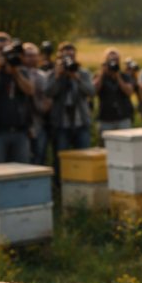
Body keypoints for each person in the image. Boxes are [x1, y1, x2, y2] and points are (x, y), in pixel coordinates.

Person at [46, 41, 95, 182]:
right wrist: (58, 77)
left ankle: (82, 184)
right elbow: (49, 93)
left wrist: (77, 78)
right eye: (65, 56)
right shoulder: (52, 74)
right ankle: (61, 187)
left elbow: (91, 92)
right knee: (61, 160)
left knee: (83, 159)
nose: (69, 59)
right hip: (61, 125)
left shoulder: (83, 73)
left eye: (71, 56)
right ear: (59, 57)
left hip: (81, 124)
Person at [0, 32, 35, 164]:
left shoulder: (19, 67)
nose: (4, 52)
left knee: (22, 171)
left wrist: (16, 73)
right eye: (1, 49)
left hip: (20, 131)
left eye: (7, 48)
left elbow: (30, 90)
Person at [93, 47, 135, 144]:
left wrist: (118, 76)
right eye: (110, 60)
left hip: (123, 119)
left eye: (115, 60)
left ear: (119, 61)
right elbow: (93, 91)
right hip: (105, 120)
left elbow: (129, 92)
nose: (113, 62)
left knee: (126, 147)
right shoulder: (99, 76)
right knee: (104, 149)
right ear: (105, 61)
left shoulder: (125, 76)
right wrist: (101, 73)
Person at [22, 43, 52, 165]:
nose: (31, 58)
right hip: (21, 126)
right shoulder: (15, 73)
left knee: (39, 159)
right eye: (28, 55)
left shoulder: (41, 75)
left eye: (34, 55)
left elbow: (47, 99)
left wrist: (45, 106)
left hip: (39, 123)